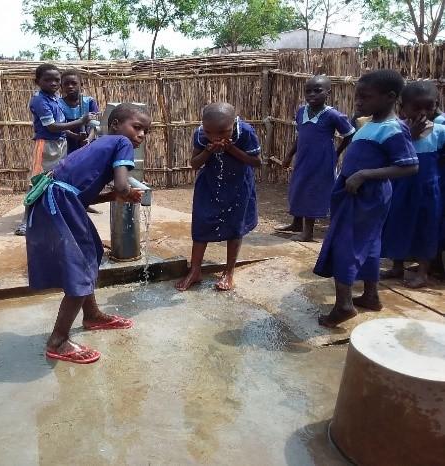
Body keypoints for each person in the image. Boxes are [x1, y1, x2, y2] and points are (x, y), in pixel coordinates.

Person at [26, 104, 150, 364]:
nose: (140, 135)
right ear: (115, 124)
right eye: (136, 127)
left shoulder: (99, 145)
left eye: (145, 132)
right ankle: (58, 340)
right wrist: (126, 192)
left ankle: (91, 315)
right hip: (59, 202)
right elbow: (121, 183)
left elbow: (83, 196)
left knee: (90, 251)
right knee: (79, 266)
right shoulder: (120, 142)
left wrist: (115, 196)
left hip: (56, 199)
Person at [314, 70, 419, 328]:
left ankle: (344, 305)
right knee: (370, 244)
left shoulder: (393, 129)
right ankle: (370, 296)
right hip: (358, 194)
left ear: (390, 97)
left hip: (366, 195)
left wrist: (363, 174)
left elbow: (409, 166)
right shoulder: (370, 123)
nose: (358, 101)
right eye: (357, 96)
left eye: (365, 97)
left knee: (344, 246)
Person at [175, 103, 262, 292]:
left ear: (234, 123)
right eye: (209, 132)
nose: (215, 137)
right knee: (201, 223)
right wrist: (208, 150)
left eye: (223, 132)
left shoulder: (245, 132)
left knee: (235, 226)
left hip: (239, 185)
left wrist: (232, 150)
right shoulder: (200, 134)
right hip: (209, 185)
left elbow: (257, 162)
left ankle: (229, 271)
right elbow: (195, 164)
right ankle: (195, 270)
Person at [14, 64, 94, 236]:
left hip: (60, 144)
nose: (53, 83)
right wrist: (80, 122)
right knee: (36, 182)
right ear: (37, 81)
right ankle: (25, 222)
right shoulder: (39, 100)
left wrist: (74, 136)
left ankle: (50, 218)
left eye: (57, 80)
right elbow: (51, 126)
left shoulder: (54, 98)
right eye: (48, 80)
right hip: (46, 145)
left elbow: (61, 127)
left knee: (56, 181)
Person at [380, 81, 445, 288]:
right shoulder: (396, 129)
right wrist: (410, 135)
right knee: (396, 223)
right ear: (402, 107)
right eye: (416, 107)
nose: (423, 112)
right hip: (400, 187)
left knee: (426, 227)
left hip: (428, 190)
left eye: (430, 106)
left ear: (437, 105)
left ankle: (423, 271)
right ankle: (397, 266)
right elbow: (384, 154)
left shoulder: (440, 131)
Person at [277, 75, 355, 242]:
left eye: (317, 91)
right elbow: (301, 136)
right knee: (298, 188)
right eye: (308, 91)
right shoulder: (301, 111)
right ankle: (296, 223)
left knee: (312, 192)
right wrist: (290, 155)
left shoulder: (333, 115)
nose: (312, 94)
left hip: (322, 161)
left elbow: (349, 134)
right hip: (304, 159)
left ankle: (308, 233)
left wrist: (337, 152)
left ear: (328, 92)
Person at [58, 69, 100, 154]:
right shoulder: (58, 104)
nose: (70, 86)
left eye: (74, 83)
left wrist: (88, 139)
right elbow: (60, 127)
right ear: (61, 87)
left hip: (88, 143)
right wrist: (77, 137)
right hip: (67, 144)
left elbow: (95, 126)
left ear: (81, 85)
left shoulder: (89, 102)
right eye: (66, 84)